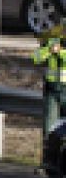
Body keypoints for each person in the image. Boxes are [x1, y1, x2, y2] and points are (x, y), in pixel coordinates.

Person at [35, 24, 66, 158]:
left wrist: (60, 52)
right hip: (52, 89)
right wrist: (49, 50)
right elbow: (36, 57)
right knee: (49, 128)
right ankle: (48, 162)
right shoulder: (52, 40)